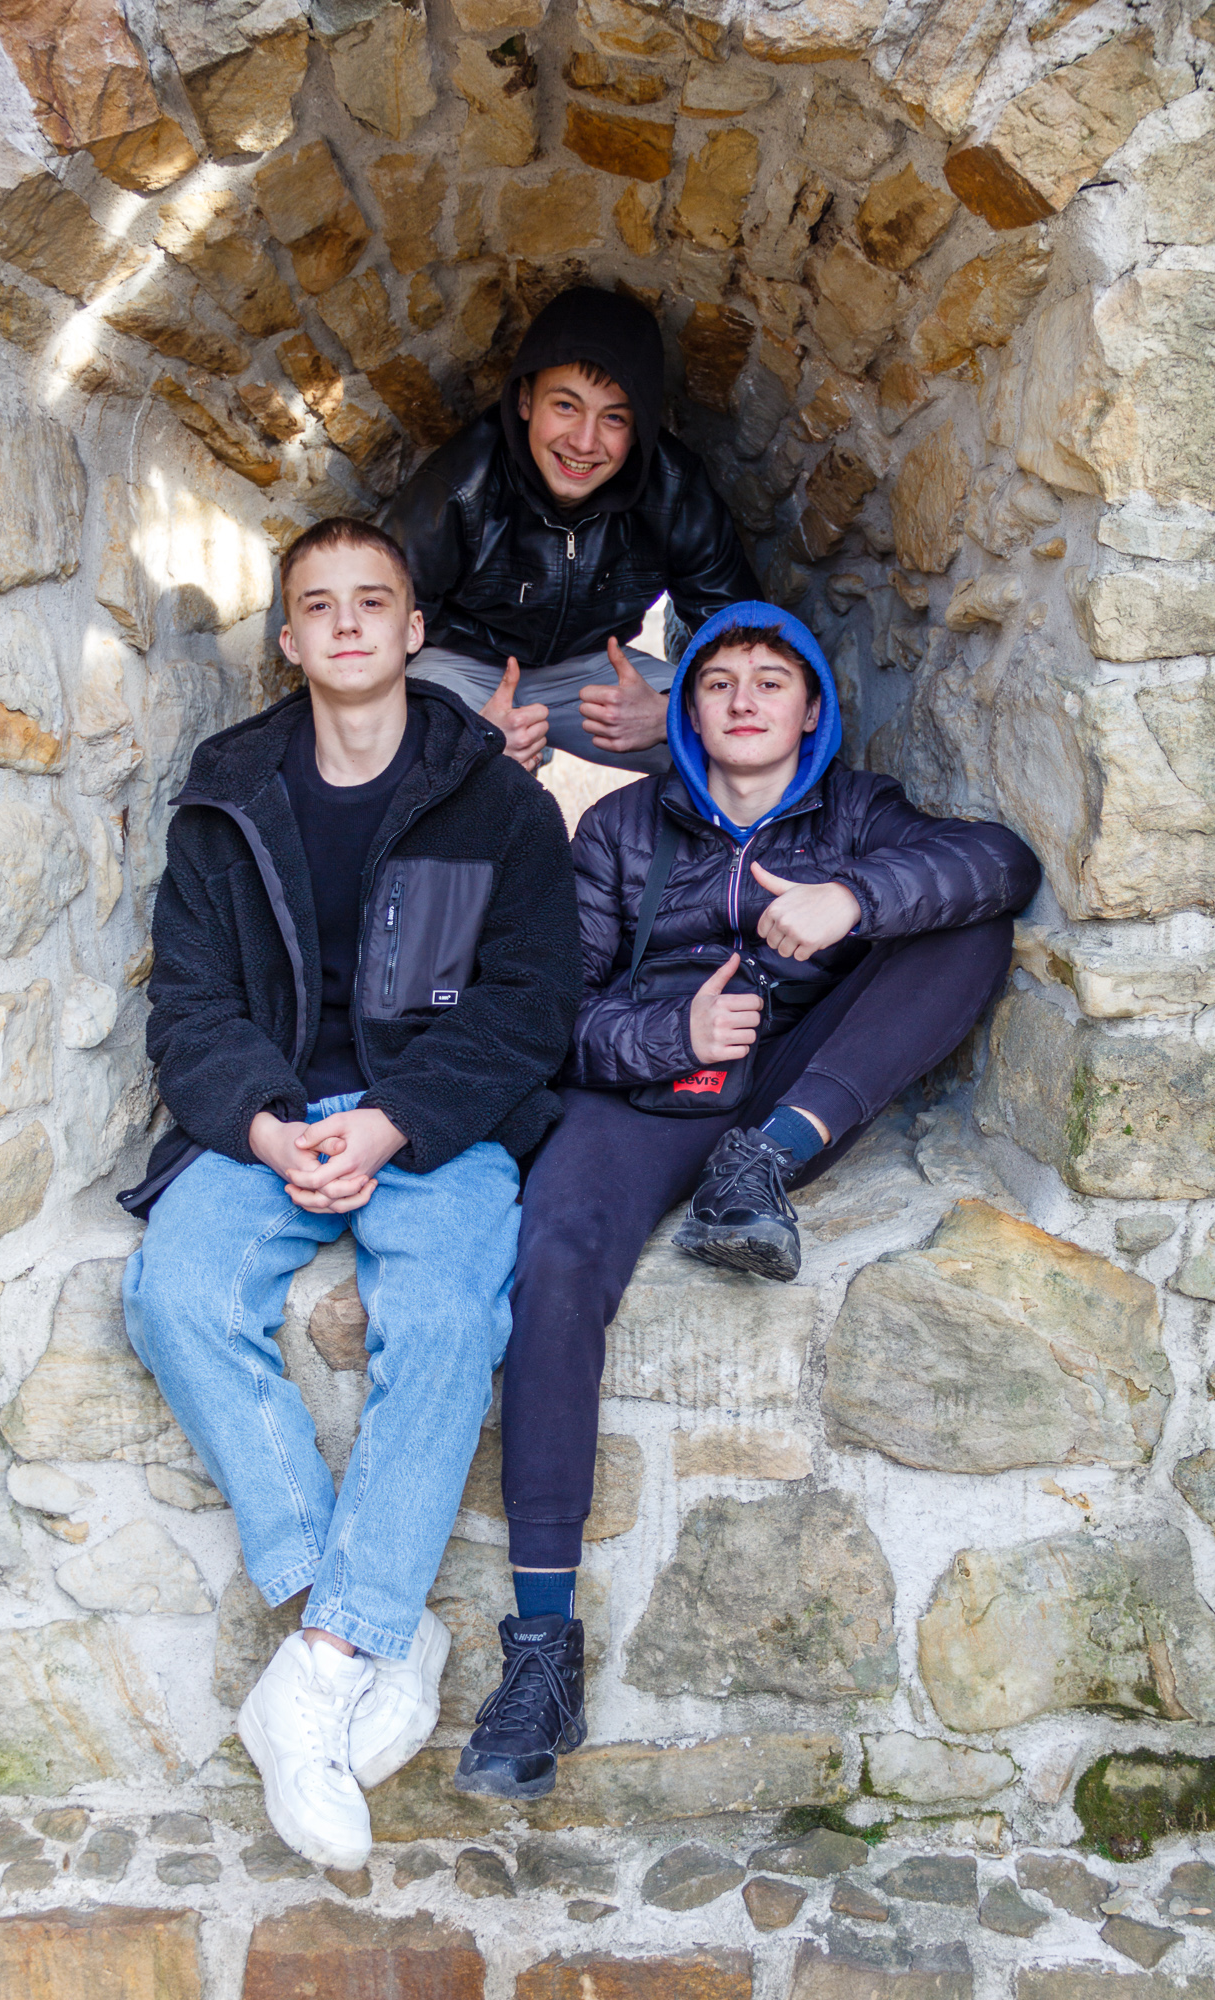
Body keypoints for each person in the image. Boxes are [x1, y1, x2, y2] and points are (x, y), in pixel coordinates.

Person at [453, 599, 1042, 1801]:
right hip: (650, 1087)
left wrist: (850, 899)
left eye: (771, 680)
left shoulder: (858, 812)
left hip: (793, 1084)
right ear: (685, 709)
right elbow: (551, 1014)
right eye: (718, 680)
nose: (742, 698)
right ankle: (542, 1648)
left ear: (811, 709)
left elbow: (1002, 862)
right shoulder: (621, 826)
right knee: (554, 1256)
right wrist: (669, 1032)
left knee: (969, 928)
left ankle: (760, 1164)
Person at [118, 519, 581, 1868]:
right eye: (317, 605)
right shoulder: (227, 791)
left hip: (432, 1124)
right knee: (174, 1292)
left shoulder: (493, 801)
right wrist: (268, 1127)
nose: (348, 623)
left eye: (372, 601)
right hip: (268, 1120)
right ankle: (373, 1616)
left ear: (413, 628)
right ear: (289, 640)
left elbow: (529, 1005)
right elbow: (190, 1004)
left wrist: (392, 1119)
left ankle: (316, 1667)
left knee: (441, 1321)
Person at [382, 285, 760, 776]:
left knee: (748, 743)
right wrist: (465, 743)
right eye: (565, 406)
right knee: (406, 758)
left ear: (640, 428)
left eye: (614, 418)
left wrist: (676, 715)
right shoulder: (458, 487)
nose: (584, 442)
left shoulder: (673, 488)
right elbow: (374, 637)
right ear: (524, 400)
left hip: (593, 669)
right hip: (463, 667)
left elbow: (745, 637)